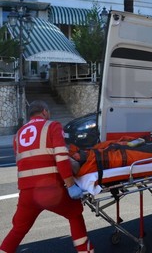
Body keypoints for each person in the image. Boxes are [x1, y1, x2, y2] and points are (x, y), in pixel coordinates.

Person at [0, 100, 94, 253]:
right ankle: (85, 250)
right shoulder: (52, 126)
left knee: (18, 230)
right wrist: (70, 185)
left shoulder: (18, 135)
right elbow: (62, 158)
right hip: (51, 190)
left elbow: (22, 163)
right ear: (44, 112)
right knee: (75, 214)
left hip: (27, 193)